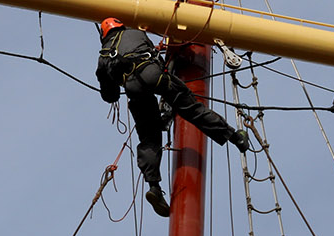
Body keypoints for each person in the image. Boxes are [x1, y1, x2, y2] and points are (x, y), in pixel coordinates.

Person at [95, 18, 250, 218]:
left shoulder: (103, 57)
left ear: (104, 35)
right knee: (192, 109)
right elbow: (154, 54)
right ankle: (234, 136)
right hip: (153, 75)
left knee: (149, 138)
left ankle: (154, 187)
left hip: (134, 89)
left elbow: (110, 96)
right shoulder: (135, 32)